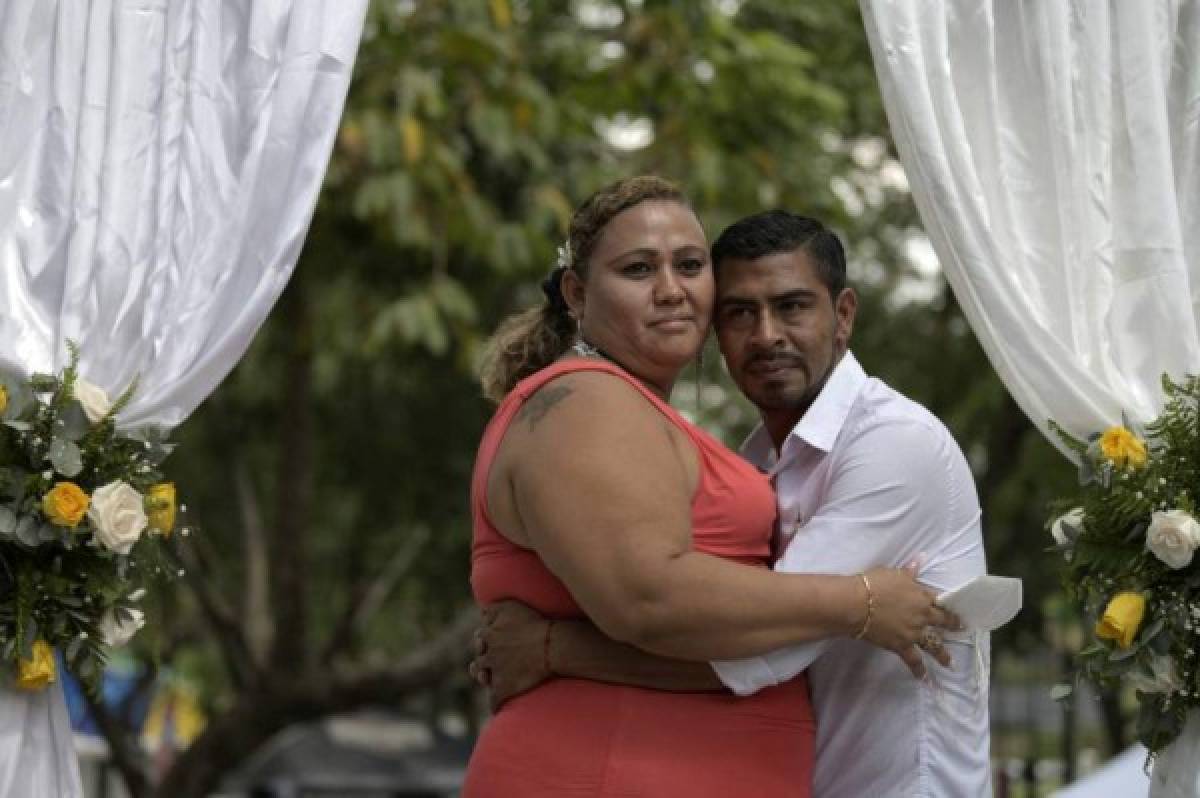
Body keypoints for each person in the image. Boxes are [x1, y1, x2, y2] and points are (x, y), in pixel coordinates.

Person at [464, 178, 957, 797]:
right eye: (639, 269)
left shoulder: (647, 416)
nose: (671, 290)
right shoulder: (586, 401)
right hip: (608, 769)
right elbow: (650, 598)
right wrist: (860, 603)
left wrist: (552, 647)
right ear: (577, 293)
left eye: (690, 266)